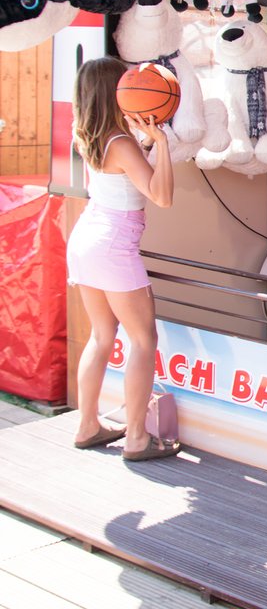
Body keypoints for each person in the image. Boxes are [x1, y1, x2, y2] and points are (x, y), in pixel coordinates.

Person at [67, 56, 179, 461]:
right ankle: (136, 437)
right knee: (143, 340)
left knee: (101, 336)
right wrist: (162, 144)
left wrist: (146, 143)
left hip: (86, 240)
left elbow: (122, 173)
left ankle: (87, 425)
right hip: (114, 246)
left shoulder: (88, 135)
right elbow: (161, 196)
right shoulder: (122, 142)